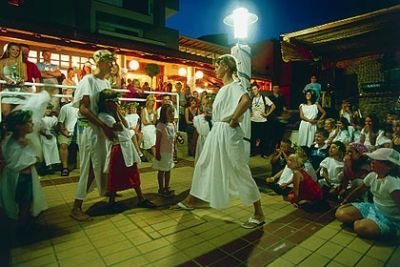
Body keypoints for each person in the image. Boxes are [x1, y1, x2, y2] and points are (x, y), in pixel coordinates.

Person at [176, 54, 265, 229]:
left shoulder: (234, 85)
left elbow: (246, 100)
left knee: (239, 169)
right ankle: (192, 200)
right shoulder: (224, 88)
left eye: (217, 66)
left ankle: (259, 213)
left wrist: (233, 118)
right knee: (204, 163)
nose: (215, 69)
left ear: (226, 66)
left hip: (227, 132)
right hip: (218, 131)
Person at [69, 49, 116, 221]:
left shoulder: (107, 83)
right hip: (90, 129)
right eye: (109, 61)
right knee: (88, 167)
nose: (112, 65)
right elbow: (84, 109)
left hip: (101, 128)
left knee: (102, 163)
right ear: (101, 63)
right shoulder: (88, 80)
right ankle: (76, 207)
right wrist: (104, 126)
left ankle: (108, 193)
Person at [97, 89, 155, 208]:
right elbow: (118, 127)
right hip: (117, 147)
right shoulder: (103, 115)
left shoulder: (113, 113)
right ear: (107, 103)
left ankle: (140, 198)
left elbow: (126, 125)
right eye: (114, 101)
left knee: (133, 172)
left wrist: (117, 112)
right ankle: (112, 202)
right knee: (115, 174)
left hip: (126, 146)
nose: (117, 103)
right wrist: (115, 113)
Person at [336, 148, 400, 239]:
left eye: (377, 161)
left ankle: (390, 229)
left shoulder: (393, 183)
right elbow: (359, 190)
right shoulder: (373, 175)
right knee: (341, 213)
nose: (372, 162)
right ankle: (369, 221)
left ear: (390, 166)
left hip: (390, 219)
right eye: (372, 159)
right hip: (374, 208)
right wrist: (345, 202)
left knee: (360, 227)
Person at [0, 109, 48, 228]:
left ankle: (24, 221)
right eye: (29, 122)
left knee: (26, 201)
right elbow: (21, 162)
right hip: (22, 178)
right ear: (19, 126)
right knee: (24, 202)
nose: (32, 124)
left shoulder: (20, 140)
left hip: (25, 176)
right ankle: (23, 225)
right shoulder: (15, 144)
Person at [153, 103, 177, 197]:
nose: (171, 114)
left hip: (169, 151)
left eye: (172, 112)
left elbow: (173, 139)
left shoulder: (173, 124)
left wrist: (175, 150)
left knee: (168, 169)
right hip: (163, 151)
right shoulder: (161, 125)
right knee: (161, 170)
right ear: (164, 113)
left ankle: (167, 187)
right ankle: (161, 188)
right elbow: (158, 141)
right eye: (169, 112)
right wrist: (157, 152)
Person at [0, 42, 27, 116]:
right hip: (7, 91)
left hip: (20, 92)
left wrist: (22, 80)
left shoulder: (22, 64)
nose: (15, 52)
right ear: (8, 50)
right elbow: (1, 74)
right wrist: (6, 79)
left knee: (19, 117)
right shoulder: (2, 61)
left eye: (17, 50)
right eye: (13, 49)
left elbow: (25, 77)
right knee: (5, 114)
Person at [250, 83, 275, 157]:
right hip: (254, 120)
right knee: (253, 138)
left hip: (262, 121)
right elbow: (249, 107)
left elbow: (273, 106)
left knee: (264, 138)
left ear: (259, 89)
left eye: (255, 89)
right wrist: (251, 113)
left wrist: (267, 114)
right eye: (252, 90)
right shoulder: (252, 99)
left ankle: (264, 153)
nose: (253, 91)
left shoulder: (264, 98)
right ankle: (253, 152)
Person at [57, 95, 79, 176]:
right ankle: (65, 167)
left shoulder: (84, 108)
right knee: (63, 145)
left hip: (80, 133)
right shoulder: (65, 108)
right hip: (67, 132)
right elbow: (60, 123)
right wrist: (64, 132)